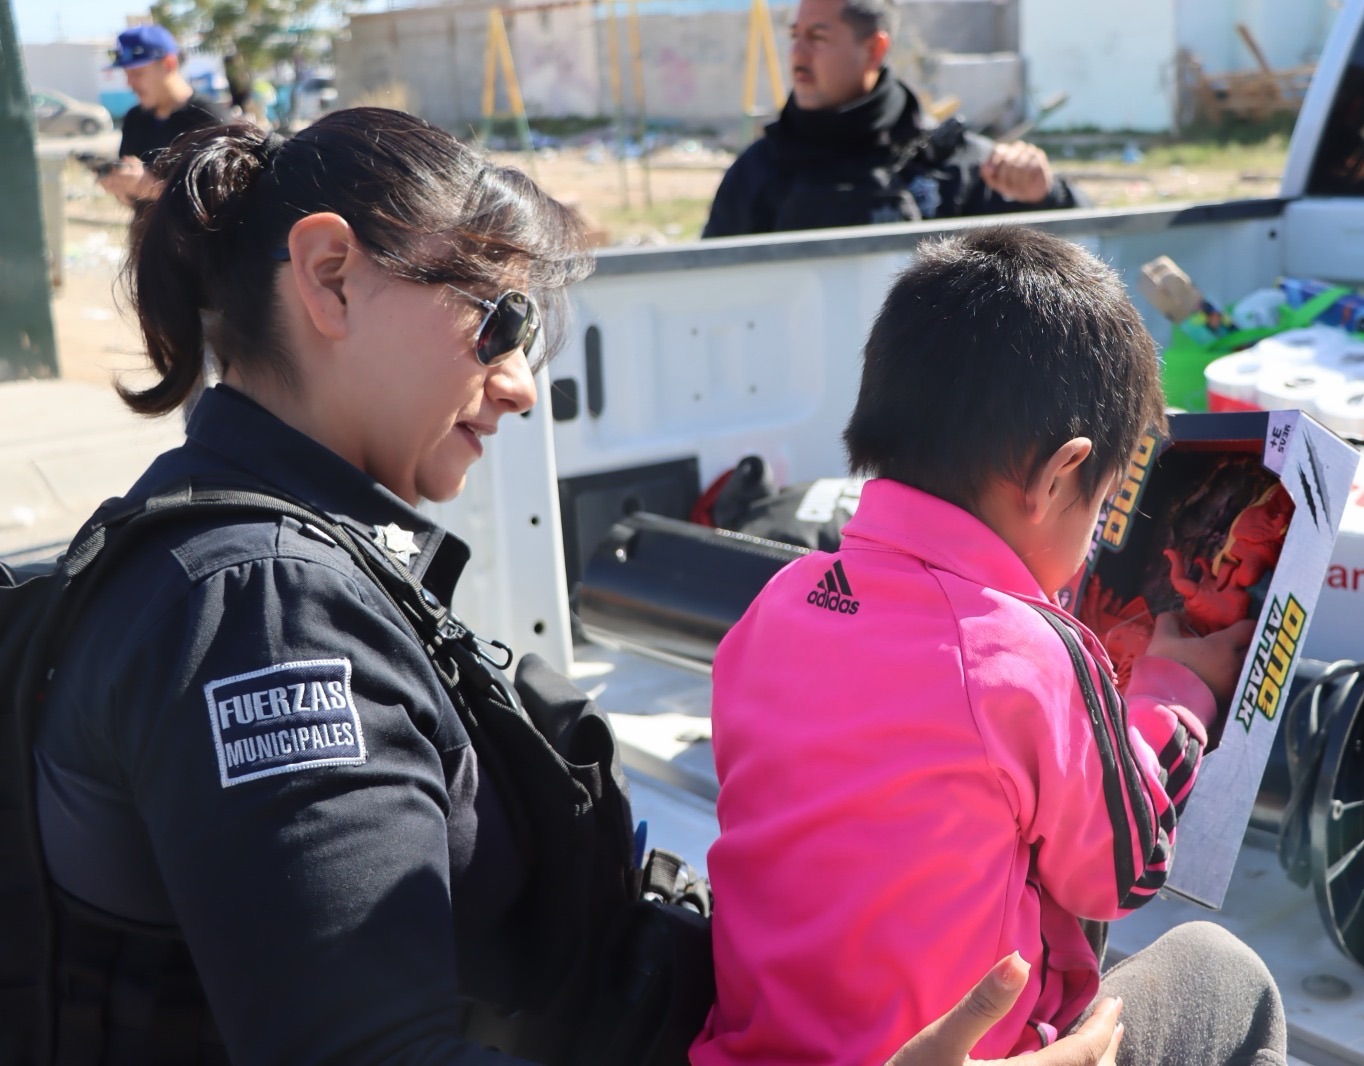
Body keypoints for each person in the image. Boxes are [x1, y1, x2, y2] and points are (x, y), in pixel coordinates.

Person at [27, 108, 1131, 1065]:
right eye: (497, 321)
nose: (517, 384)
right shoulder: (265, 615)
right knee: (1206, 980)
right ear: (329, 278)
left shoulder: (268, 556)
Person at [694, 227, 1286, 1064]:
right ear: (1057, 477)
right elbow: (1125, 874)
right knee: (1224, 975)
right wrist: (1170, 693)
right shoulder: (1030, 654)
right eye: (1105, 502)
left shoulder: (777, 604)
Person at [702, 0, 1084, 238]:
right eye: (795, 35)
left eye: (818, 37)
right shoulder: (756, 174)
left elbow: (1092, 249)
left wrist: (1044, 195)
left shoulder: (955, 166)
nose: (798, 54)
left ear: (874, 49)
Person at [98, 24, 230, 206]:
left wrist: (153, 188)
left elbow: (227, 202)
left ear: (169, 64)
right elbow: (135, 201)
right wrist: (121, 185)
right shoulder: (135, 118)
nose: (130, 84)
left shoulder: (210, 119)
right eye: (126, 74)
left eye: (137, 73)